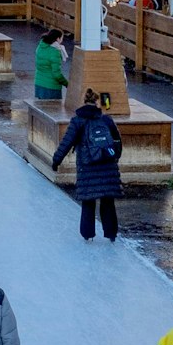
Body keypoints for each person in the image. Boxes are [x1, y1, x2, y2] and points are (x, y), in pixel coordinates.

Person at [52, 92, 124, 241]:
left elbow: (66, 143)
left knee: (88, 202)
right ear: (97, 103)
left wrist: (56, 161)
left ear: (83, 102)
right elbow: (117, 142)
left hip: (87, 168)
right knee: (108, 202)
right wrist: (114, 158)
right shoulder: (107, 120)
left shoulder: (77, 122)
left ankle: (88, 235)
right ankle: (111, 235)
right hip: (107, 167)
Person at [33, 30, 67, 101]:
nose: (62, 40)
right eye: (61, 38)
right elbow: (57, 74)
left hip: (39, 84)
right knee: (53, 110)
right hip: (51, 88)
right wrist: (67, 84)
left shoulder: (40, 47)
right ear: (57, 39)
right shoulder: (55, 51)